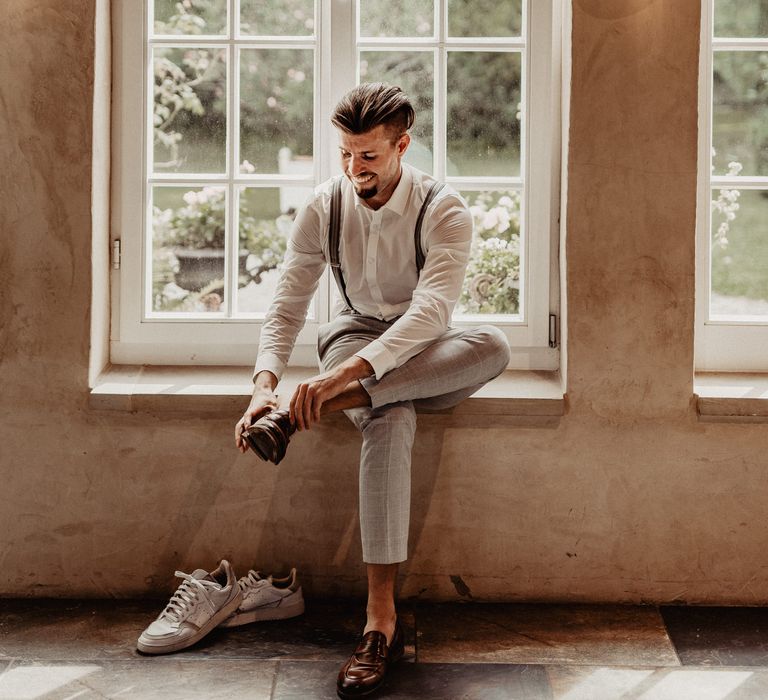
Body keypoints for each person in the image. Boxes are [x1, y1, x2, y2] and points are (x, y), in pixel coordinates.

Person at [235, 82, 511, 698]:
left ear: (402, 146)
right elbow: (288, 302)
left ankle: (301, 416)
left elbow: (431, 315)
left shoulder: (444, 207)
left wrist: (340, 381)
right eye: (346, 154)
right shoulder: (323, 208)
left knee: (492, 344)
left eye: (368, 156)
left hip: (419, 350)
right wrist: (264, 385)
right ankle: (379, 620)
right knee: (391, 418)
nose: (353, 168)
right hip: (350, 335)